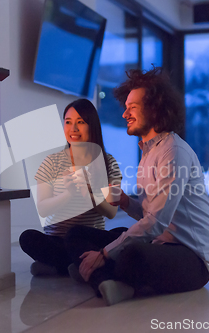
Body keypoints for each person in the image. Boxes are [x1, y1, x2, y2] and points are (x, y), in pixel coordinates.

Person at [65, 68, 209, 306]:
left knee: (130, 253)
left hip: (191, 257)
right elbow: (150, 215)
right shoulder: (148, 151)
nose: (125, 113)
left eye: (132, 107)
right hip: (159, 242)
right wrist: (126, 202)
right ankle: (109, 280)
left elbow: (156, 222)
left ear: (155, 108)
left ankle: (96, 273)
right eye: (125, 106)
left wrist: (105, 253)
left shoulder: (173, 152)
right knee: (77, 234)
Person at [19, 99, 123, 276]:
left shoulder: (108, 162)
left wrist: (88, 194)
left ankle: (59, 266)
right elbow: (43, 209)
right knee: (27, 237)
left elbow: (111, 212)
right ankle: (76, 264)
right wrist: (68, 194)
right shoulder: (51, 162)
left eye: (80, 122)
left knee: (123, 233)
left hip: (88, 238)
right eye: (68, 122)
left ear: (92, 126)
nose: (73, 129)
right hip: (57, 240)